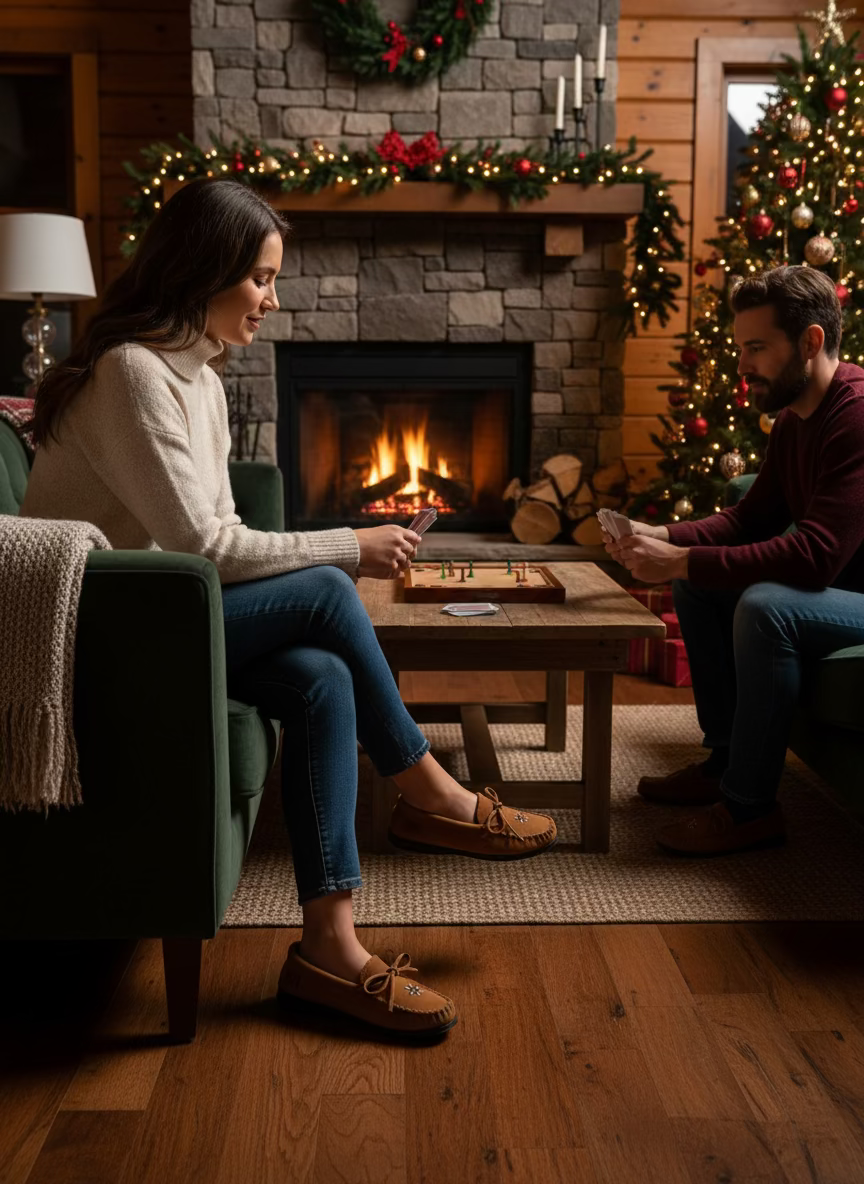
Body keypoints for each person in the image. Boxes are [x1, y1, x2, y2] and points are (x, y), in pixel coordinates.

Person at [17, 178, 558, 1041]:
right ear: (205, 270)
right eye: (261, 278)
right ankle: (430, 793)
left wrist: (340, 544)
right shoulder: (131, 373)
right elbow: (209, 548)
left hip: (161, 617)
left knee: (317, 675)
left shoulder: (199, 377)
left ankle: (328, 950)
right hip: (93, 633)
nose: (272, 299)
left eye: (274, 279)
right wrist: (350, 541)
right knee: (329, 587)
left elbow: (219, 534)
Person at [603, 265, 864, 857]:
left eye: (755, 348)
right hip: (843, 595)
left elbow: (817, 557)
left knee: (767, 606)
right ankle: (724, 762)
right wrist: (663, 534)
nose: (742, 365)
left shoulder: (856, 416)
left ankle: (748, 809)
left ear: (811, 341)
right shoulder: (797, 418)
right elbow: (749, 519)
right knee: (700, 583)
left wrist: (679, 562)